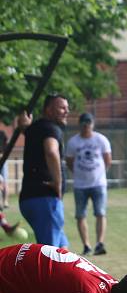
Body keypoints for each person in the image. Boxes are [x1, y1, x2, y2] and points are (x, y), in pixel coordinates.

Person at [16, 94, 69, 248]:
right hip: (44, 198)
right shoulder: (52, 129)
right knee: (51, 255)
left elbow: (33, 137)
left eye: (67, 108)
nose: (66, 111)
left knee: (63, 250)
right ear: (49, 110)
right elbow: (51, 151)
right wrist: (58, 183)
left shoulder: (35, 129)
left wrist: (24, 128)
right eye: (62, 108)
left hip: (29, 198)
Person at [65, 113, 112, 256]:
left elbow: (107, 159)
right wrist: (79, 174)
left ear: (93, 124)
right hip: (80, 185)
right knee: (80, 215)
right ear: (80, 124)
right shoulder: (73, 142)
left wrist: (99, 174)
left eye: (89, 123)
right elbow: (69, 161)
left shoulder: (101, 139)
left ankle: (99, 244)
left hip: (98, 183)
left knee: (100, 213)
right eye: (84, 123)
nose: (86, 126)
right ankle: (86, 245)